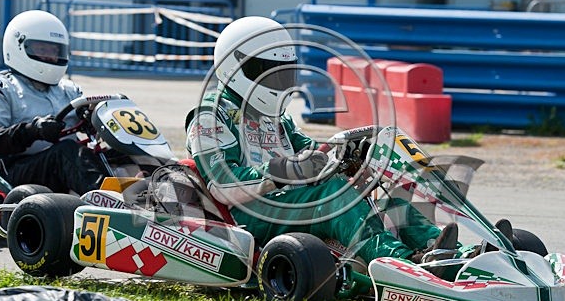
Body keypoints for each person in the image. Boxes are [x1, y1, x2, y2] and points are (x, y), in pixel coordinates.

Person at [185, 16, 462, 268]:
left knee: (376, 184)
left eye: (284, 73)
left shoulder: (275, 117)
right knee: (334, 195)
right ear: (235, 67)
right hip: (247, 217)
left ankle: (442, 252)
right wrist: (285, 171)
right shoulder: (210, 115)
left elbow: (312, 154)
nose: (278, 82)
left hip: (287, 203)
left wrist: (346, 160)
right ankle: (399, 263)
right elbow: (222, 184)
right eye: (270, 72)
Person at [0, 10, 108, 194]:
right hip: (13, 171)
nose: (51, 57)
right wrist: (33, 130)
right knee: (66, 151)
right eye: (42, 49)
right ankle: (111, 206)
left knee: (117, 152)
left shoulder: (69, 90)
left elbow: (85, 126)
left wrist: (93, 118)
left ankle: (147, 197)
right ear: (18, 46)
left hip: (59, 168)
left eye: (55, 50)